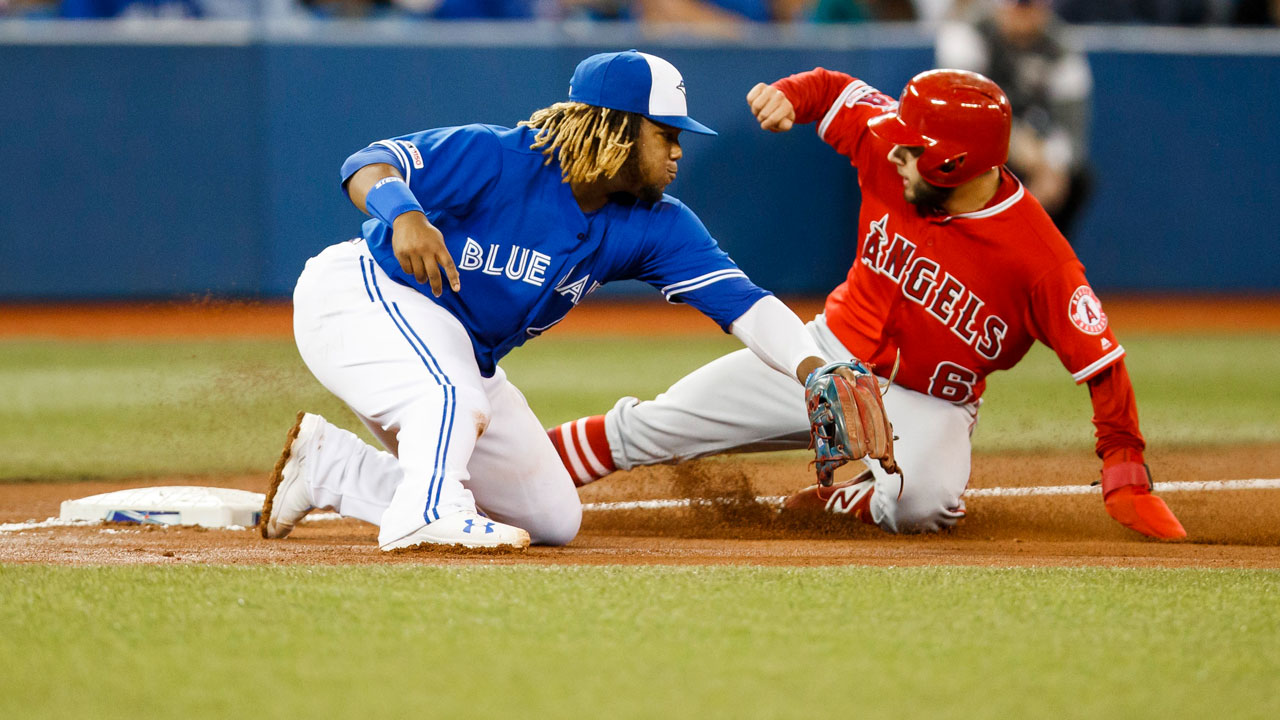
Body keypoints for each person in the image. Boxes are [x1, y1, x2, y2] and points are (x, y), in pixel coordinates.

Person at [549, 66, 1186, 540]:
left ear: (956, 160)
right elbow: (831, 88)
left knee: (923, 507)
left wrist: (1123, 463)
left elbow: (1101, 363)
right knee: (657, 426)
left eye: (914, 148)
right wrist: (789, 97)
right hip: (827, 354)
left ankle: (848, 499)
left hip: (930, 402)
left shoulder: (1040, 260)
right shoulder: (892, 141)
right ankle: (513, 465)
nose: (896, 150)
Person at [260, 50, 836, 552]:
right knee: (451, 393)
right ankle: (426, 515)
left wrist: (813, 369)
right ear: (616, 127)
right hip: (361, 298)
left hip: (456, 351)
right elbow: (367, 164)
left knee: (549, 517)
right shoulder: (502, 157)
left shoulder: (655, 226)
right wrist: (404, 213)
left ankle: (334, 469)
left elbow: (745, 304)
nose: (678, 152)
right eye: (667, 134)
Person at [937, 0, 1095, 237]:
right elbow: (964, 110)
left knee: (1079, 179)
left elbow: (1072, 126)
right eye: (1017, 6)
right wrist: (1015, 145)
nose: (1023, 15)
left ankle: (1042, 253)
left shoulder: (1062, 47)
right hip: (974, 151)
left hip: (1037, 155)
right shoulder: (968, 33)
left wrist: (1052, 166)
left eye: (1031, 6)